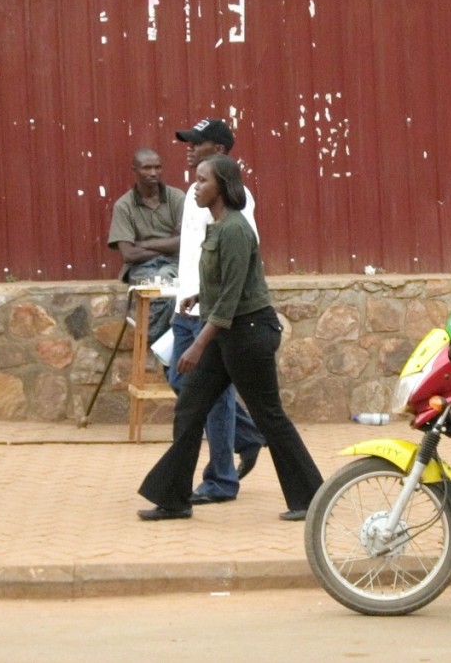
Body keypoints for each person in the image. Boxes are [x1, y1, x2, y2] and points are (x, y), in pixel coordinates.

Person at [137, 153, 323, 522]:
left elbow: (235, 295)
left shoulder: (236, 228)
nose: (195, 186)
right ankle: (174, 499)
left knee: (269, 415)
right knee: (189, 409)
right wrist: (199, 296)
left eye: (203, 180)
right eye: (195, 179)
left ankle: (310, 498)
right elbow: (224, 283)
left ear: (222, 186)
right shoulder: (218, 226)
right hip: (229, 333)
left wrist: (197, 344)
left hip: (249, 334)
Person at [167, 118, 266, 506]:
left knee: (215, 394)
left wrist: (215, 312)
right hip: (186, 304)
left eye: (197, 143)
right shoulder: (196, 192)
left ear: (221, 151)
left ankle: (221, 479)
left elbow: (241, 257)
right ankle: (246, 436)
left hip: (211, 315)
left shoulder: (229, 200)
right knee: (180, 380)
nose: (189, 148)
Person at [107, 148, 184, 345]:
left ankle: (155, 338)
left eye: (157, 167)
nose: (153, 173)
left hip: (175, 263)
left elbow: (184, 242)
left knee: (172, 284)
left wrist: (142, 244)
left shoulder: (177, 198)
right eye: (147, 168)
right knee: (165, 285)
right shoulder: (123, 206)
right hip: (140, 268)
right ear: (135, 170)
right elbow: (128, 254)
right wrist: (169, 243)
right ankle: (161, 342)